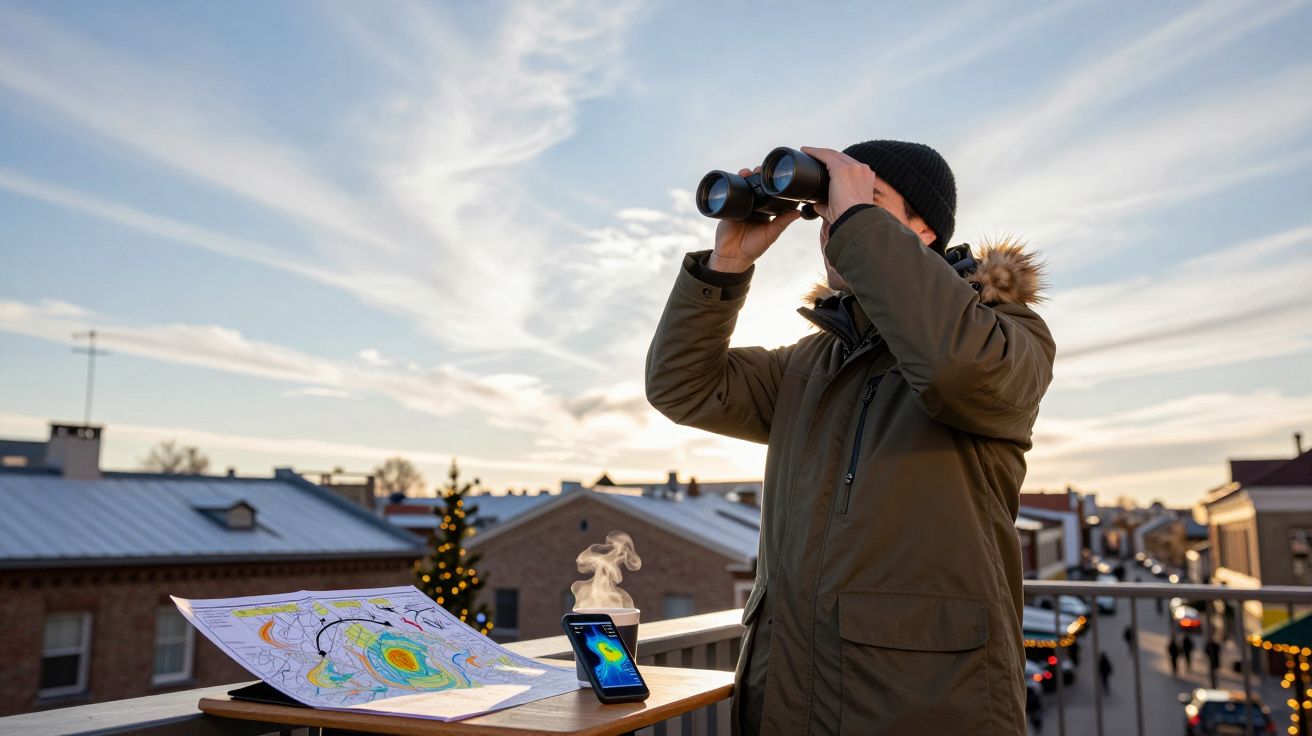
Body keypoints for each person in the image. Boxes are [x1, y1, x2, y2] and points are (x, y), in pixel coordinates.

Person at [646, 140, 1055, 735]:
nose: (833, 219)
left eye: (864, 199)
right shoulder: (810, 364)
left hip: (922, 710)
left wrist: (856, 224)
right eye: (828, 203)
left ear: (923, 230)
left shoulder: (1006, 335)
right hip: (784, 703)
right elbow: (682, 386)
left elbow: (954, 370)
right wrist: (727, 266)